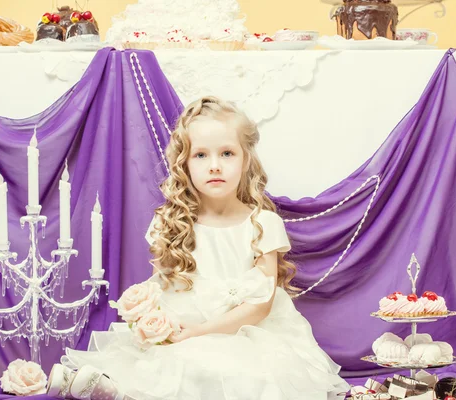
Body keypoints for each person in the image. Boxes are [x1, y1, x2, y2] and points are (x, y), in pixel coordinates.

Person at [46, 96, 350, 400]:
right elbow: (159, 290)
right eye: (201, 155)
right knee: (167, 361)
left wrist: (199, 333)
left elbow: (260, 306)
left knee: (233, 371)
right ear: (185, 164)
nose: (215, 166)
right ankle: (105, 387)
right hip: (185, 326)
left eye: (227, 153)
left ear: (246, 160)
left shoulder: (263, 223)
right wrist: (163, 323)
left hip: (249, 332)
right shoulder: (171, 223)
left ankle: (116, 392)